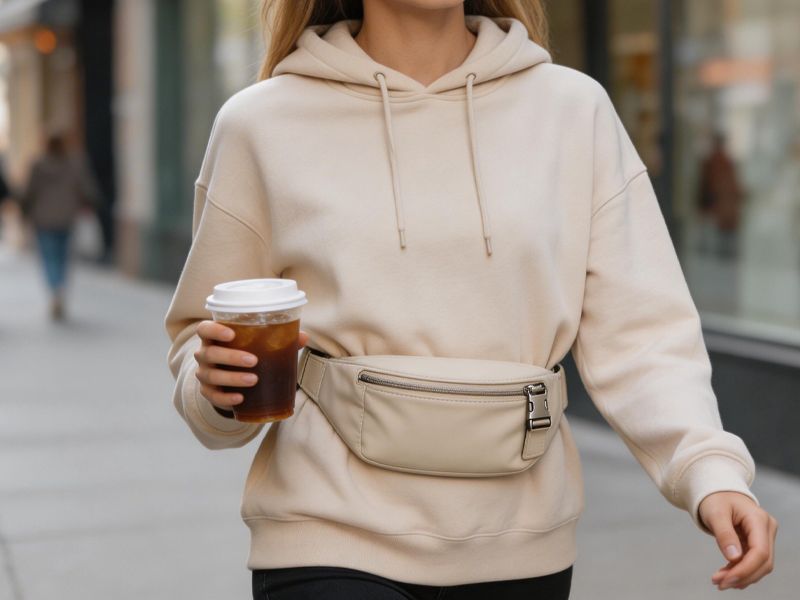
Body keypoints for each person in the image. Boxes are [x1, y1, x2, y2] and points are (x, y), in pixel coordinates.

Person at [164, 1, 778, 598]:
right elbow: (202, 335)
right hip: (326, 535)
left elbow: (643, 334)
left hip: (520, 545)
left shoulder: (573, 110)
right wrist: (213, 385)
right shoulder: (259, 124)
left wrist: (711, 473)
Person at [20, 132, 101, 320]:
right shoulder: (75, 163)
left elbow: (29, 191)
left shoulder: (38, 165)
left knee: (49, 257)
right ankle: (60, 287)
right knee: (63, 257)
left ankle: (54, 289)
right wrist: (94, 203)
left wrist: (24, 210)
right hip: (67, 217)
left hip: (44, 219)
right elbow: (87, 188)